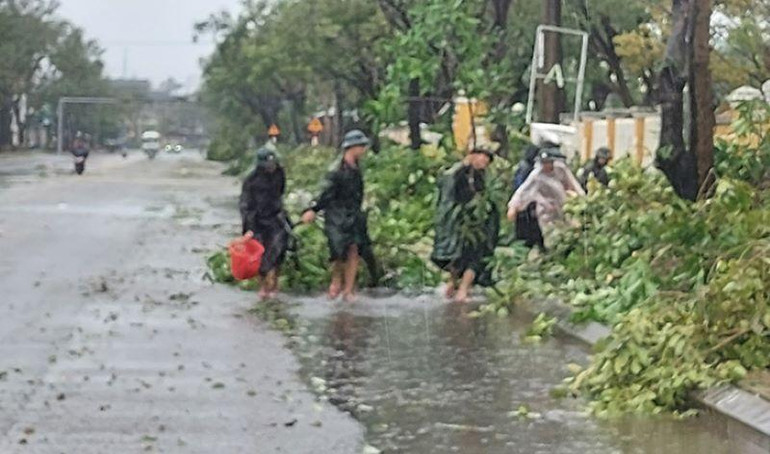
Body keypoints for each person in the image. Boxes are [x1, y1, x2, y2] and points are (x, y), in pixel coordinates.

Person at [301, 130, 375, 302]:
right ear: (352, 147)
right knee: (338, 252)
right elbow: (325, 192)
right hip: (336, 216)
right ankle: (336, 283)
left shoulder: (356, 168)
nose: (364, 150)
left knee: (354, 250)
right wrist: (313, 209)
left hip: (353, 215)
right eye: (361, 146)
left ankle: (348, 290)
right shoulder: (335, 170)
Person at [431, 148, 499, 303]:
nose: (484, 164)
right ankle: (456, 286)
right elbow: (450, 189)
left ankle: (462, 288)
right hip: (460, 224)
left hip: (477, 224)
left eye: (486, 162)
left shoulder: (481, 176)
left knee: (474, 256)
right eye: (482, 160)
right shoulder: (459, 173)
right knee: (460, 257)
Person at [506, 149, 585, 249]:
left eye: (548, 162)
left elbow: (573, 183)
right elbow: (523, 190)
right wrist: (513, 207)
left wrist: (582, 199)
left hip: (564, 207)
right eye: (543, 163)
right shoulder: (536, 175)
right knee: (551, 239)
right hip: (546, 211)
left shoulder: (560, 169)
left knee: (569, 235)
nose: (546, 166)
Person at [240, 147, 291, 300]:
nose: (271, 166)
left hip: (276, 217)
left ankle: (274, 285)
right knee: (260, 255)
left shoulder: (279, 174)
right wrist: (248, 228)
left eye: (273, 163)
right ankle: (263, 287)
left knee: (278, 250)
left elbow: (281, 192)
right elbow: (245, 205)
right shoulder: (251, 180)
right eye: (268, 164)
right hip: (257, 221)